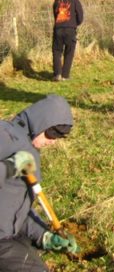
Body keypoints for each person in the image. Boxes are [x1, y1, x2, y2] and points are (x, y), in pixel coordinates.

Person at [0, 94, 78, 271]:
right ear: (40, 121)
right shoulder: (5, 134)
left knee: (35, 261)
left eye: (59, 137)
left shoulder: (29, 147)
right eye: (52, 132)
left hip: (8, 233)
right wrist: (10, 167)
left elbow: (16, 209)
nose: (53, 141)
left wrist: (44, 236)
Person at [52, 0, 84, 81]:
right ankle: (65, 76)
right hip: (70, 29)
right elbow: (80, 17)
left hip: (58, 28)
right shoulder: (75, 1)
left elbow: (55, 15)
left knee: (57, 51)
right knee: (69, 52)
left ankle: (57, 74)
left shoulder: (57, 1)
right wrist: (74, 24)